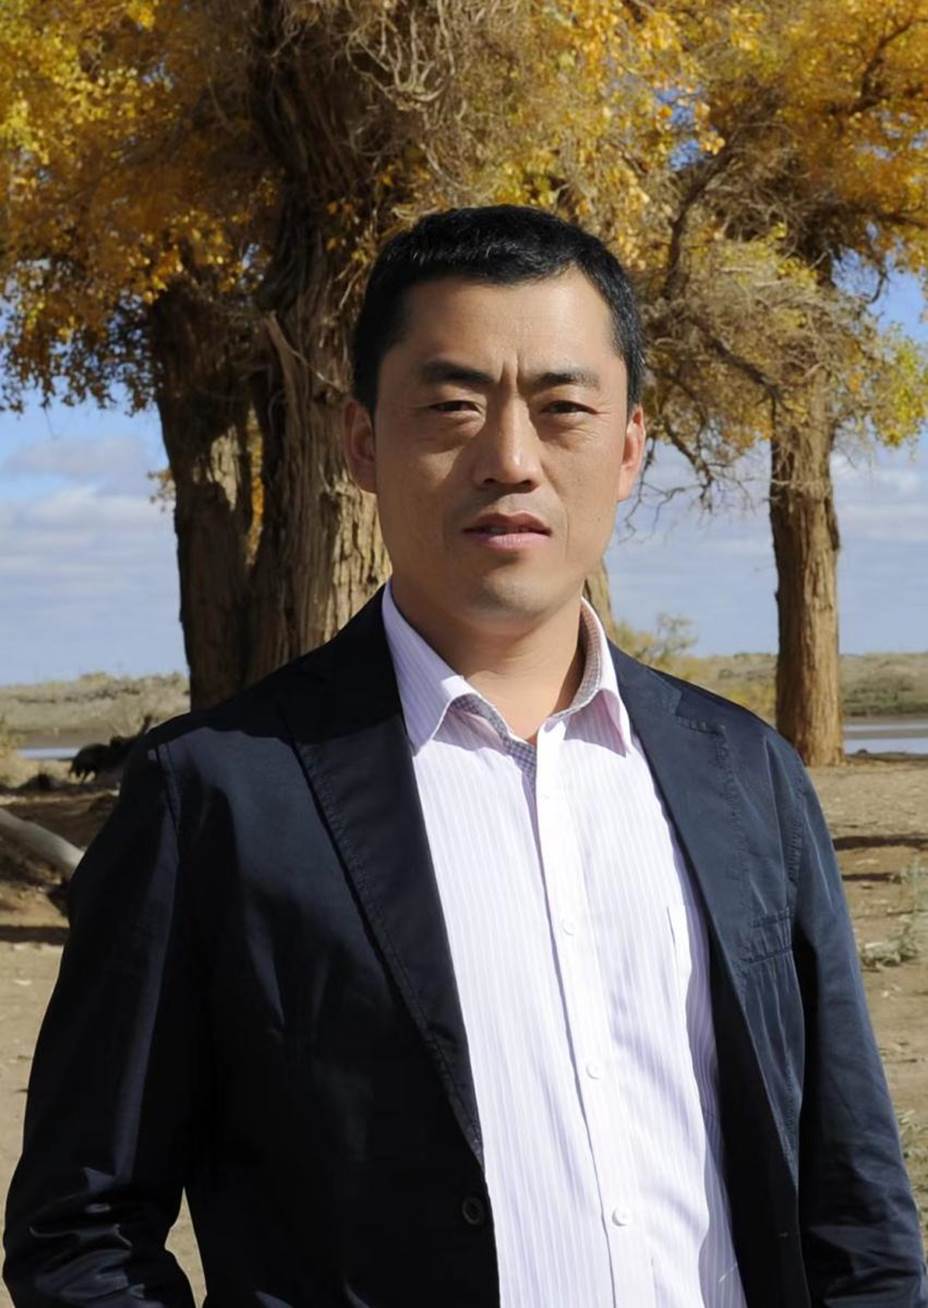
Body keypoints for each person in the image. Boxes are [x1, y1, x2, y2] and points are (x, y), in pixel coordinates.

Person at [4, 205, 926, 1308]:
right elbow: (81, 1232)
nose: (510, 461)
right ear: (362, 443)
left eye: (563, 409)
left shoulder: (744, 774)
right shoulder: (215, 796)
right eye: (451, 407)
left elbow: (854, 1203)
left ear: (629, 448)